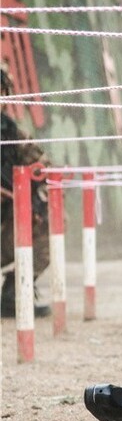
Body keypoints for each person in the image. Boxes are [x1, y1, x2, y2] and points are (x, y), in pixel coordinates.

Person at [0, 63, 50, 318]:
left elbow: (44, 170)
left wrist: (33, 203)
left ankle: (14, 294)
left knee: (51, 220)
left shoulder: (13, 134)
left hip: (4, 229)